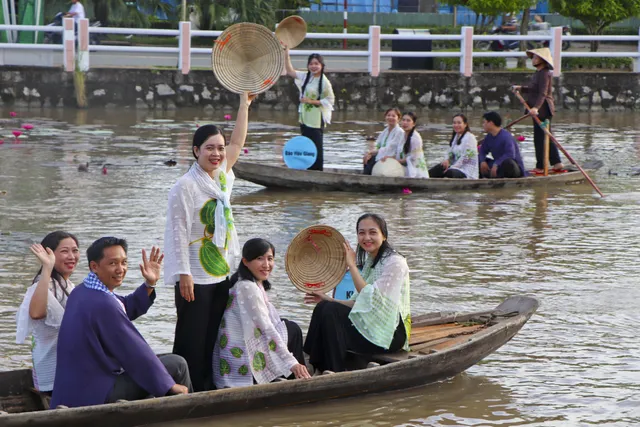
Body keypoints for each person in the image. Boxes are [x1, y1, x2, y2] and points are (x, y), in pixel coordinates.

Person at [164, 92, 255, 392]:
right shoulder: (185, 186)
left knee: (213, 335)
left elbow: (238, 143)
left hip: (220, 273)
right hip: (194, 277)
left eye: (219, 148)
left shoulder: (222, 179)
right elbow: (176, 233)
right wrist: (183, 275)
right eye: (209, 149)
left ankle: (207, 388)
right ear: (195, 151)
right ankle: (183, 390)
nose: (216, 154)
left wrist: (244, 105)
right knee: (191, 336)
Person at [51, 237, 192, 408]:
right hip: (96, 393)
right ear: (94, 266)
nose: (120, 269)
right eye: (113, 263)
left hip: (76, 390)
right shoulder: (102, 303)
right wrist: (169, 385)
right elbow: (135, 351)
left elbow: (124, 307)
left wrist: (150, 283)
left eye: (124, 262)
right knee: (178, 365)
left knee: (159, 371)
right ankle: (191, 416)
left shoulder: (83, 291)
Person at [303, 213, 410, 373]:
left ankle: (333, 370)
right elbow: (357, 303)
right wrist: (326, 299)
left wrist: (352, 266)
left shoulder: (395, 262)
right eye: (362, 233)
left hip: (389, 335)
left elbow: (371, 298)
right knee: (324, 307)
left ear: (384, 236)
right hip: (371, 324)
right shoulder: (371, 262)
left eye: (372, 232)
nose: (367, 237)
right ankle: (315, 365)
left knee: (332, 313)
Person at [213, 238, 311, 388]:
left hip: (242, 344)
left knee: (290, 327)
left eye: (270, 259)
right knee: (293, 330)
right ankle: (298, 378)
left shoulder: (252, 282)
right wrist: (292, 363)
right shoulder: (247, 287)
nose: (266, 265)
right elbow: (267, 328)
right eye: (260, 259)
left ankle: (296, 376)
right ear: (245, 262)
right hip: (241, 355)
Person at [15, 232, 79, 394]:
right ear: (48, 254)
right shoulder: (45, 283)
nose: (72, 256)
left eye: (75, 250)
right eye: (64, 251)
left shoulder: (68, 284)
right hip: (52, 366)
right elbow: (36, 313)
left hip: (64, 362)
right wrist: (47, 268)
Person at [512, 48, 563, 174]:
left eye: (535, 57)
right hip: (539, 109)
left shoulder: (545, 73)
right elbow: (533, 89)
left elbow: (543, 93)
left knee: (542, 137)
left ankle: (542, 166)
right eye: (533, 57)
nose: (533, 59)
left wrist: (536, 108)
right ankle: (556, 163)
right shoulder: (537, 73)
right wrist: (521, 88)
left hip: (543, 109)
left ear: (542, 60)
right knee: (543, 136)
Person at [284, 49, 335, 171]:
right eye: (311, 64)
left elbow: (330, 100)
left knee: (316, 146)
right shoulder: (306, 76)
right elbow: (290, 72)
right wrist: (286, 53)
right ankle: (307, 168)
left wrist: (311, 101)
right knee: (306, 144)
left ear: (321, 66)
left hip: (316, 119)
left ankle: (317, 171)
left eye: (316, 64)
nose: (314, 66)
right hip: (305, 117)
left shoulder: (324, 82)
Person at [428, 113, 479, 179]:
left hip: (467, 172)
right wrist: (447, 160)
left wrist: (453, 167)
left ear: (465, 124)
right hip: (455, 168)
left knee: (450, 172)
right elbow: (450, 152)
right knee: (439, 167)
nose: (456, 125)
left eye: (459, 123)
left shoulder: (470, 137)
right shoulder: (456, 137)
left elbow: (466, 158)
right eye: (454, 123)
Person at [479, 111, 527, 179]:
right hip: (498, 166)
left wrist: (496, 164)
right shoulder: (489, 137)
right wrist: (482, 161)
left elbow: (510, 154)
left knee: (508, 162)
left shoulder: (506, 136)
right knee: (477, 159)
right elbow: (482, 151)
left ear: (491, 123)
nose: (483, 125)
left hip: (512, 168)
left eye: (484, 122)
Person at [362, 108, 405, 175]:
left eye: (393, 116)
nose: (390, 117)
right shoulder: (385, 131)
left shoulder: (400, 132)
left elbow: (390, 148)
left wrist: (371, 152)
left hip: (392, 158)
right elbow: (378, 145)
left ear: (398, 119)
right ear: (385, 117)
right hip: (382, 156)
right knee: (367, 157)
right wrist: (369, 153)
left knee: (371, 159)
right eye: (388, 115)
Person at [398, 112, 429, 178]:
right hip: (404, 165)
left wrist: (397, 161)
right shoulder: (402, 135)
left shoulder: (415, 138)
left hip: (414, 170)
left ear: (413, 124)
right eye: (403, 120)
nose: (405, 123)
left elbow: (414, 158)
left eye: (408, 120)